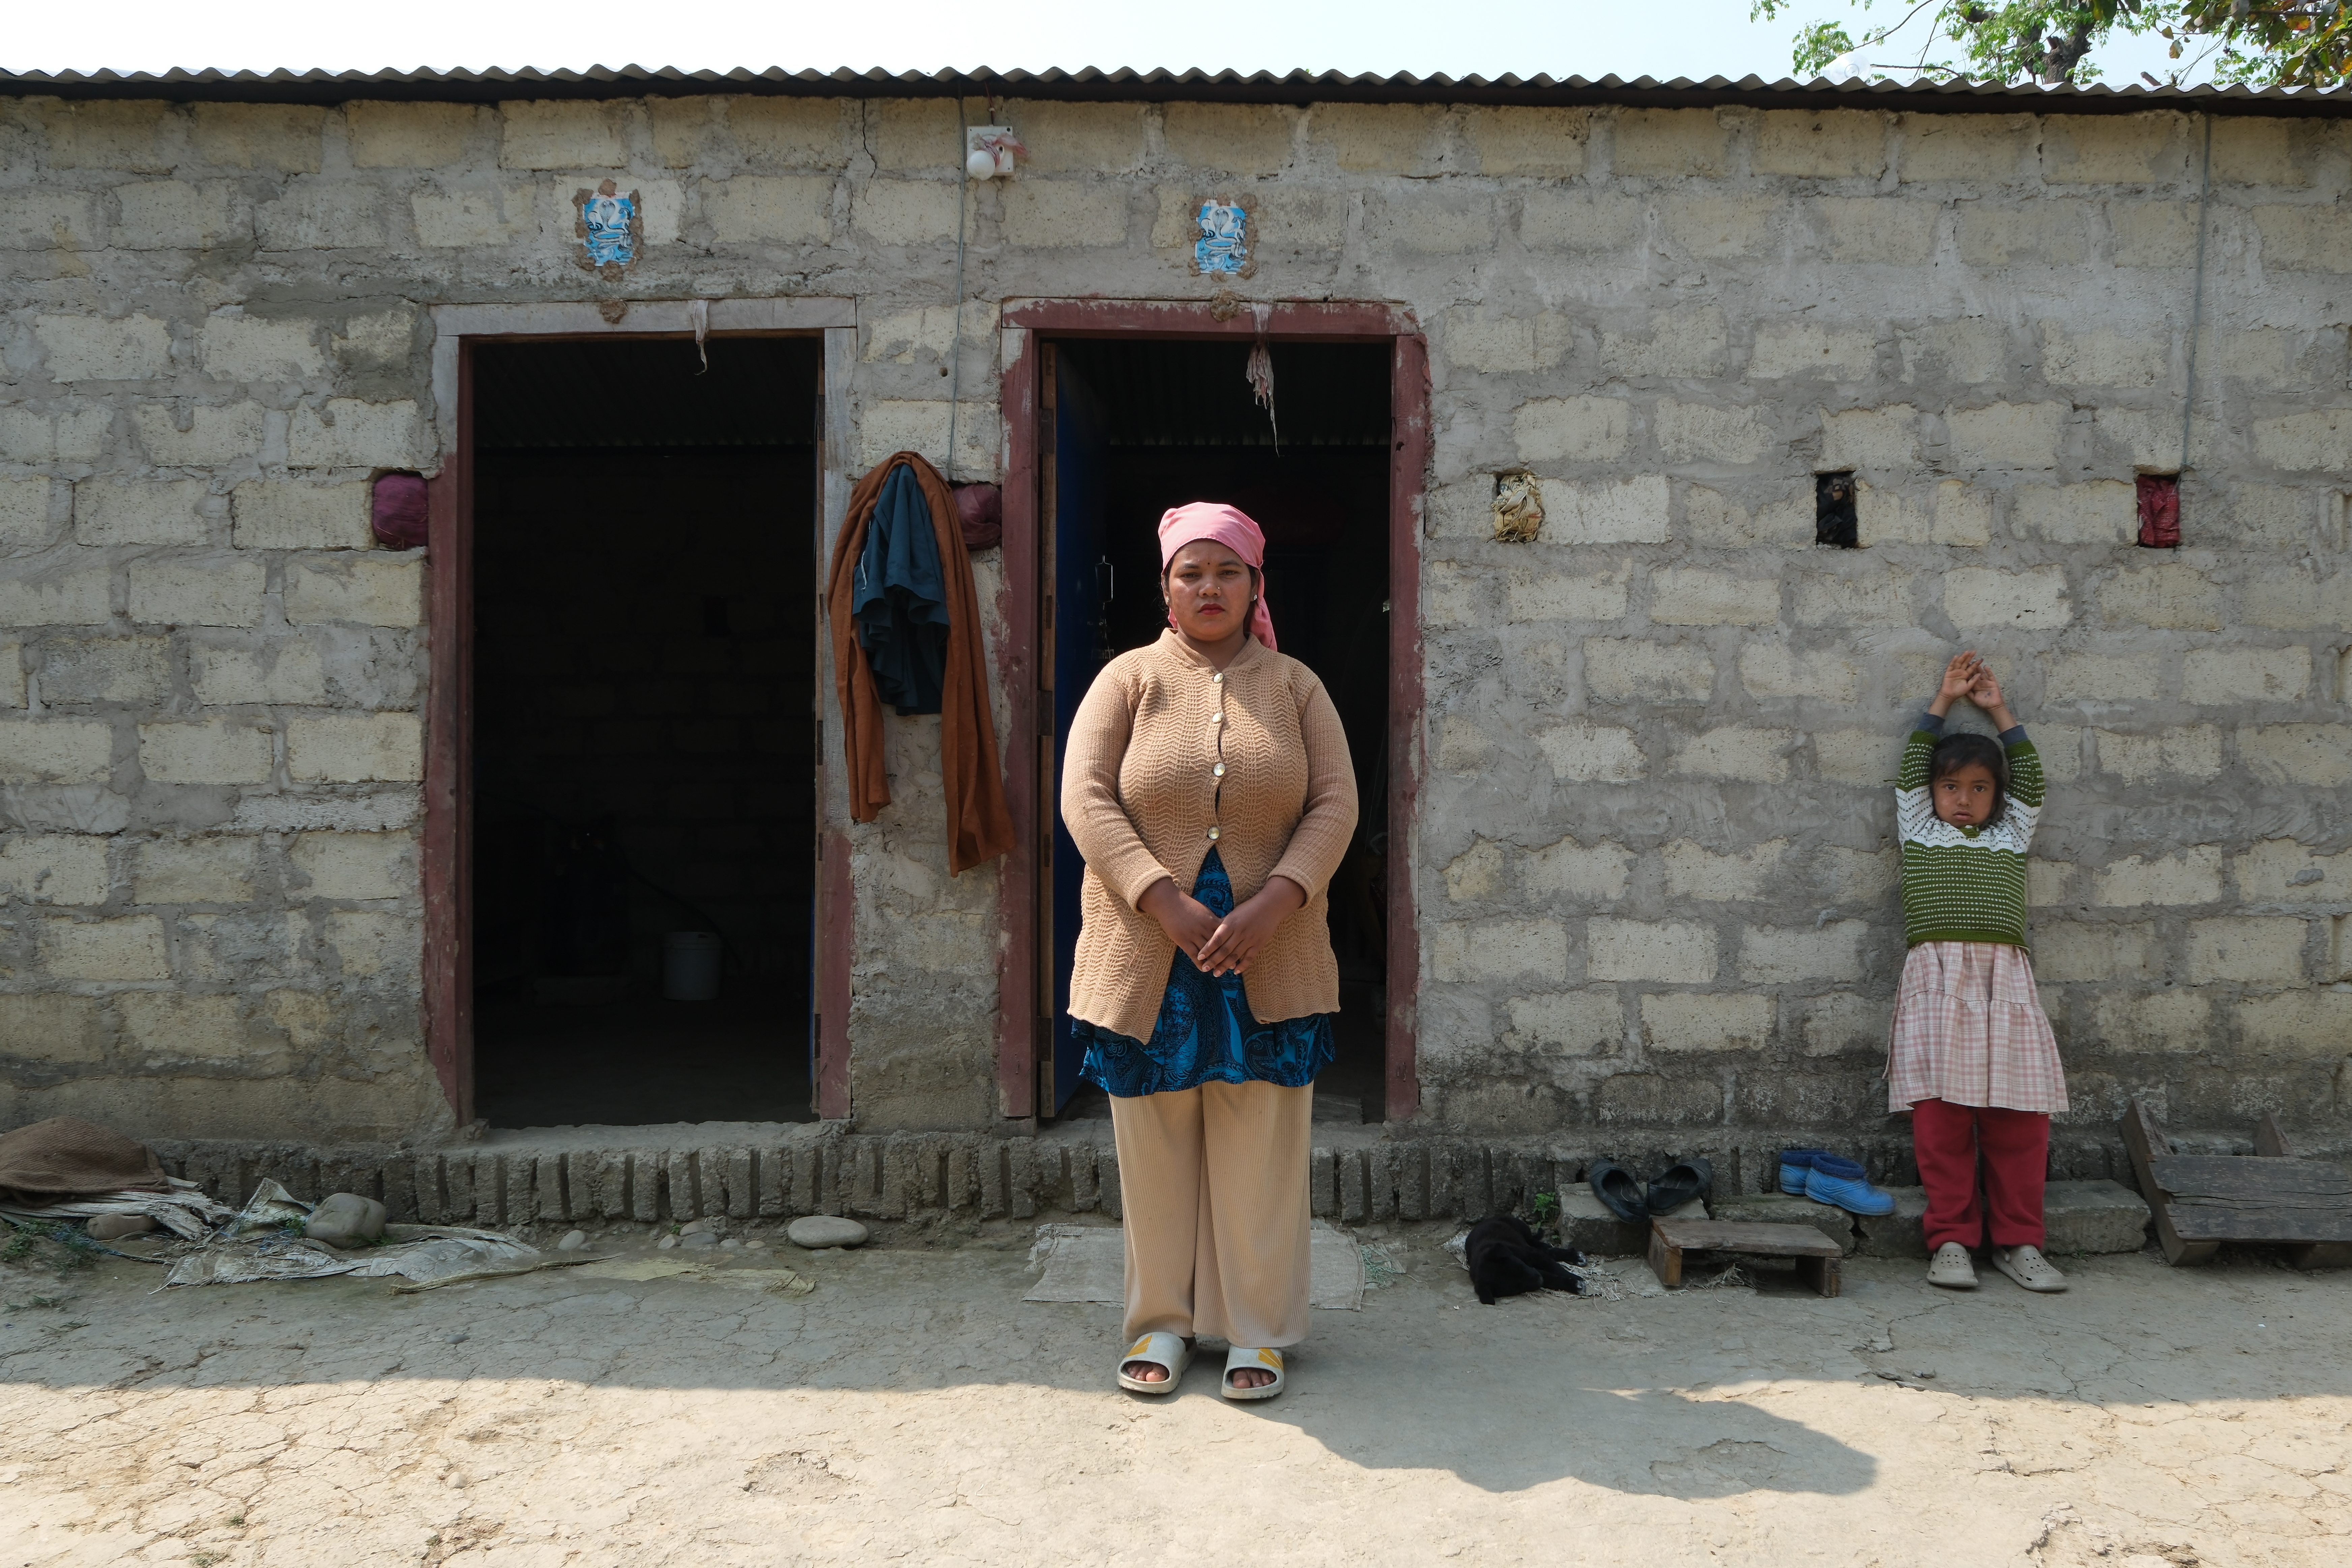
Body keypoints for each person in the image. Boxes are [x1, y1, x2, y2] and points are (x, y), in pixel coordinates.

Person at [1059, 502, 1358, 1399]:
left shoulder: (1297, 687)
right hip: (1150, 953)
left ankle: (1255, 1329)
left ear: (1256, 584)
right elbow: (1086, 798)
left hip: (1271, 951)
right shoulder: (1125, 682)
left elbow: (1336, 804)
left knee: (1259, 1143)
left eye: (1228, 572)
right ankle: (1161, 1321)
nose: (1210, 588)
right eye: (1192, 572)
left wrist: (1277, 899)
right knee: (1154, 1147)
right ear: (1165, 587)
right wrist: (1162, 898)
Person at [1890, 651, 2069, 1293]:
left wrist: (1997, 708)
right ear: (1932, 794)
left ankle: (2020, 1241)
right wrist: (1943, 700)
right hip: (1938, 982)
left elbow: (2032, 779)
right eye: (1951, 787)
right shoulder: (1918, 829)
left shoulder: (2011, 835)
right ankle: (1952, 1242)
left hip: (2005, 987)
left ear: (1998, 798)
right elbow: (1913, 764)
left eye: (1979, 788)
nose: (1963, 800)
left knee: (2019, 1118)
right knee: (1941, 1118)